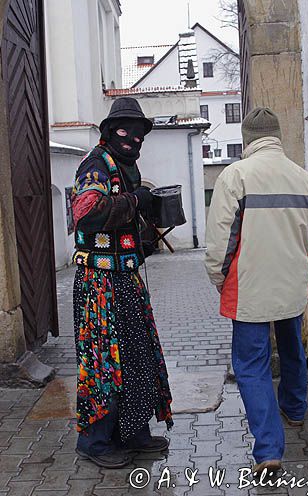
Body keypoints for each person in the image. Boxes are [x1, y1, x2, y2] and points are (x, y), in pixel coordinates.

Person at [205, 107, 308, 475]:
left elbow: (219, 241)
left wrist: (218, 276)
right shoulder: (303, 178)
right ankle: (294, 410)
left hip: (249, 290)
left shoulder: (234, 177)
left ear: (247, 139)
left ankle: (268, 450)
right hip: (291, 286)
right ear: (278, 136)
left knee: (251, 366)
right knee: (293, 350)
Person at [71, 97, 173, 469]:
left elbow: (124, 222)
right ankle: (95, 441)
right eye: (125, 130)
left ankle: (132, 432)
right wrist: (134, 201)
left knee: (137, 357)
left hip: (125, 277)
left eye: (139, 132)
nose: (133, 138)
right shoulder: (95, 165)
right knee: (104, 361)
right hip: (99, 283)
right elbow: (86, 214)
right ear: (109, 132)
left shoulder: (126, 166)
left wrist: (151, 220)